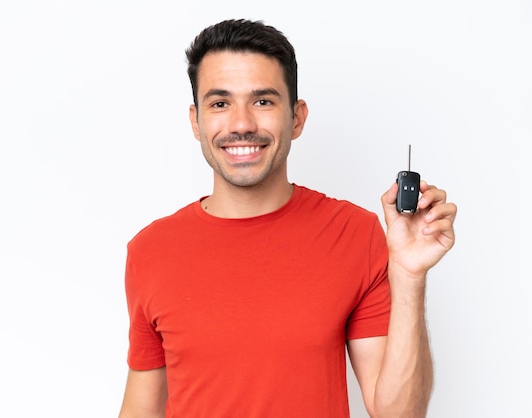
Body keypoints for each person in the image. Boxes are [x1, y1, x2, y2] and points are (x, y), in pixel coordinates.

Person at [118, 18, 457, 418]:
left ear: (296, 118)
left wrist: (409, 276)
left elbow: (399, 414)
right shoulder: (150, 251)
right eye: (220, 103)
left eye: (263, 101)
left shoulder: (354, 234)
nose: (242, 124)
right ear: (196, 121)